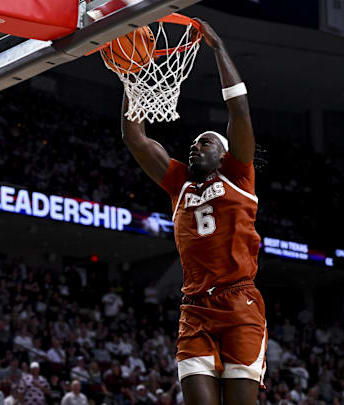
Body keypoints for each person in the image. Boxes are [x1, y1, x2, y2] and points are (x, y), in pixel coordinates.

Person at [120, 18, 266, 405]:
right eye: (193, 144)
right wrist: (132, 73)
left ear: (223, 153)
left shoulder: (238, 174)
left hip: (239, 303)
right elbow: (135, 138)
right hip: (196, 309)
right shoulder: (179, 182)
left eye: (204, 143)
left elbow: (239, 112)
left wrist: (218, 48)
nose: (194, 147)